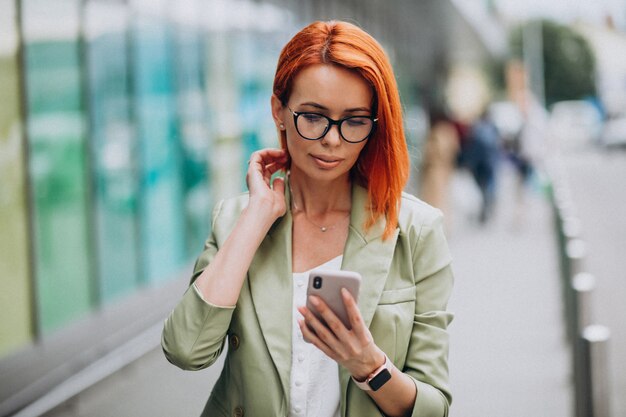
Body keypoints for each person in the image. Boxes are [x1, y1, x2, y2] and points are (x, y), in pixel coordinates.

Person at [162, 21, 454, 417]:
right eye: (314, 117)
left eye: (354, 121)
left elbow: (434, 406)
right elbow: (186, 349)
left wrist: (369, 365)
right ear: (278, 112)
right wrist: (257, 217)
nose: (332, 139)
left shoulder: (415, 230)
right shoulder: (237, 220)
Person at [419, 107, 460, 233]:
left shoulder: (437, 132)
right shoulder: (450, 131)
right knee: (444, 199)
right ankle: (444, 227)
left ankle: (437, 229)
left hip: (435, 170)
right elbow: (455, 149)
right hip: (445, 170)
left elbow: (433, 151)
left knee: (434, 201)